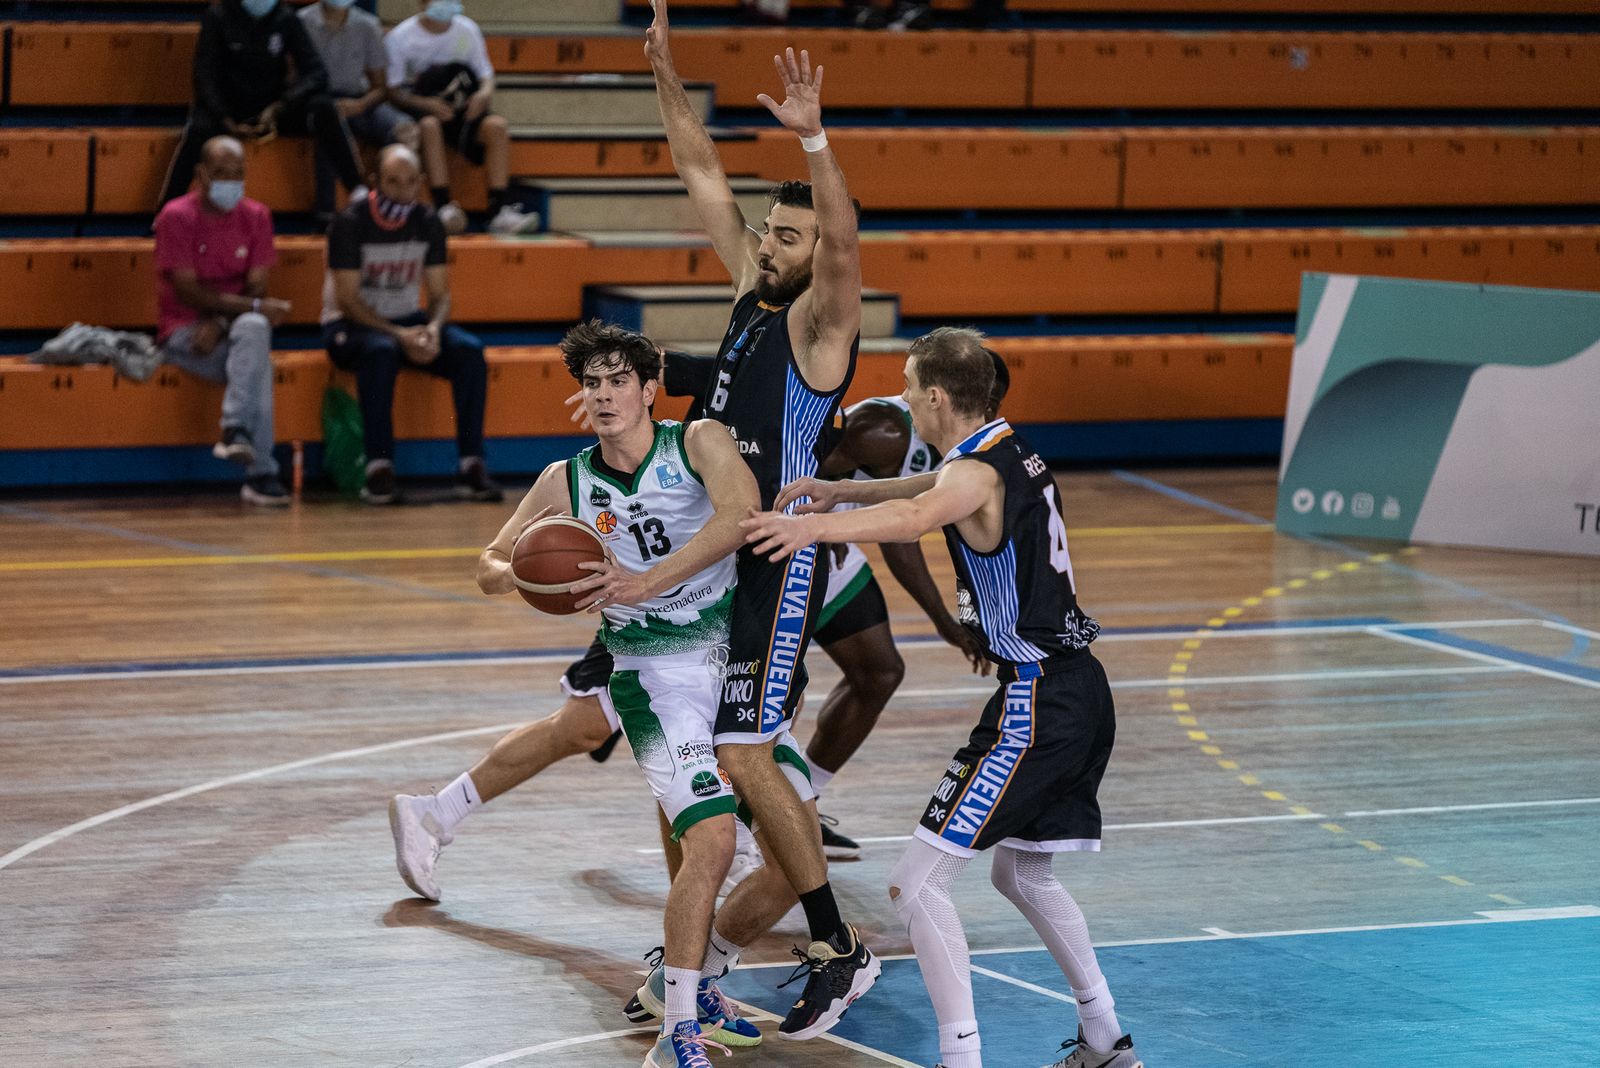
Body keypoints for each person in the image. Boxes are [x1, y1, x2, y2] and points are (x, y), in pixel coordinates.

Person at [743, 328, 1143, 1068]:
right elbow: (927, 488)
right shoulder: (1001, 449)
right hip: (1077, 689)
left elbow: (915, 518)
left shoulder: (974, 474)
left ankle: (962, 1057)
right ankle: (1103, 1038)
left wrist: (807, 527)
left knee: (915, 883)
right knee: (1020, 871)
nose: (898, 397)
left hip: (1038, 701)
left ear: (935, 396)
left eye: (905, 384)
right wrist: (841, 489)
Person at [647, 0, 880, 1036]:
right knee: (705, 753)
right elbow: (698, 166)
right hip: (717, 555)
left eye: (789, 235)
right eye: (771, 233)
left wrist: (814, 141)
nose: (773, 245)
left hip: (775, 564)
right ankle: (698, 947)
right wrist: (663, 69)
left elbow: (843, 243)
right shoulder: (751, 290)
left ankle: (837, 944)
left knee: (744, 754)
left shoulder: (822, 332)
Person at [476, 321, 766, 1067]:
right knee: (713, 839)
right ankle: (677, 1032)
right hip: (653, 679)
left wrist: (646, 579)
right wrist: (532, 577)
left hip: (737, 670)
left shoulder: (697, 442)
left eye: (615, 382)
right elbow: (489, 563)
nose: (603, 396)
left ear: (646, 389)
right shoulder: (565, 481)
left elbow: (740, 516)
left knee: (793, 843)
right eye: (591, 384)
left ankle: (696, 982)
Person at [321, 144, 502, 505]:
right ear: (376, 181)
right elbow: (348, 300)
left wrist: (432, 328)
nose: (401, 191)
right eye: (392, 182)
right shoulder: (349, 223)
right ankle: (378, 469)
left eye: (409, 183)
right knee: (381, 352)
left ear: (420, 183)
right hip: (349, 325)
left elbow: (440, 295)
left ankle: (471, 465)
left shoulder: (427, 221)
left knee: (468, 351)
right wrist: (400, 334)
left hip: (407, 321)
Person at [153, 136, 290, 507]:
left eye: (237, 174)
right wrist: (230, 316)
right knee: (257, 356)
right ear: (200, 174)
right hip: (185, 334)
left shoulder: (257, 216)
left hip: (231, 332)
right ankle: (261, 473)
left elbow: (257, 284)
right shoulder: (176, 216)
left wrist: (223, 323)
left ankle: (235, 430)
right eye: (220, 173)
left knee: (254, 330)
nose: (230, 181)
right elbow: (187, 292)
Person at [158, 0, 365, 211]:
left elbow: (317, 73)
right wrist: (225, 119)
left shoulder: (285, 17)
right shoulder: (218, 16)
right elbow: (204, 76)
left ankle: (358, 191)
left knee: (324, 107)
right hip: (227, 110)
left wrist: (281, 106)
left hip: (272, 110)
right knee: (198, 129)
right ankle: (164, 212)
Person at [385, 0, 536, 235]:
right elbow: (392, 91)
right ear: (422, 3)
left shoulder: (468, 29)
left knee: (496, 127)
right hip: (425, 108)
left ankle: (499, 211)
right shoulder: (401, 37)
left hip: (464, 110)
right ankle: (443, 206)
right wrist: (426, 104)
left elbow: (486, 74)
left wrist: (483, 95)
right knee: (429, 125)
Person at [299, 0, 427, 227]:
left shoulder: (367, 24)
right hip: (318, 101)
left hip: (361, 100)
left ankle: (398, 205)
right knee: (327, 120)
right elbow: (293, 78)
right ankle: (326, 214)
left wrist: (360, 105)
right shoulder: (302, 21)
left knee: (405, 128)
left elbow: (380, 87)